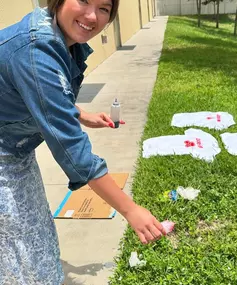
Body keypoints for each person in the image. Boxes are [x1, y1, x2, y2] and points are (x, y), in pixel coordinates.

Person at [0, 0, 165, 283]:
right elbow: (75, 153)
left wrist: (82, 114)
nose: (92, 16)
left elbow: (43, 94)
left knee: (34, 233)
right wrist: (130, 209)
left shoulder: (58, 35)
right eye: (84, 1)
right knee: (23, 248)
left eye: (104, 8)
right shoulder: (36, 50)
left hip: (15, 148)